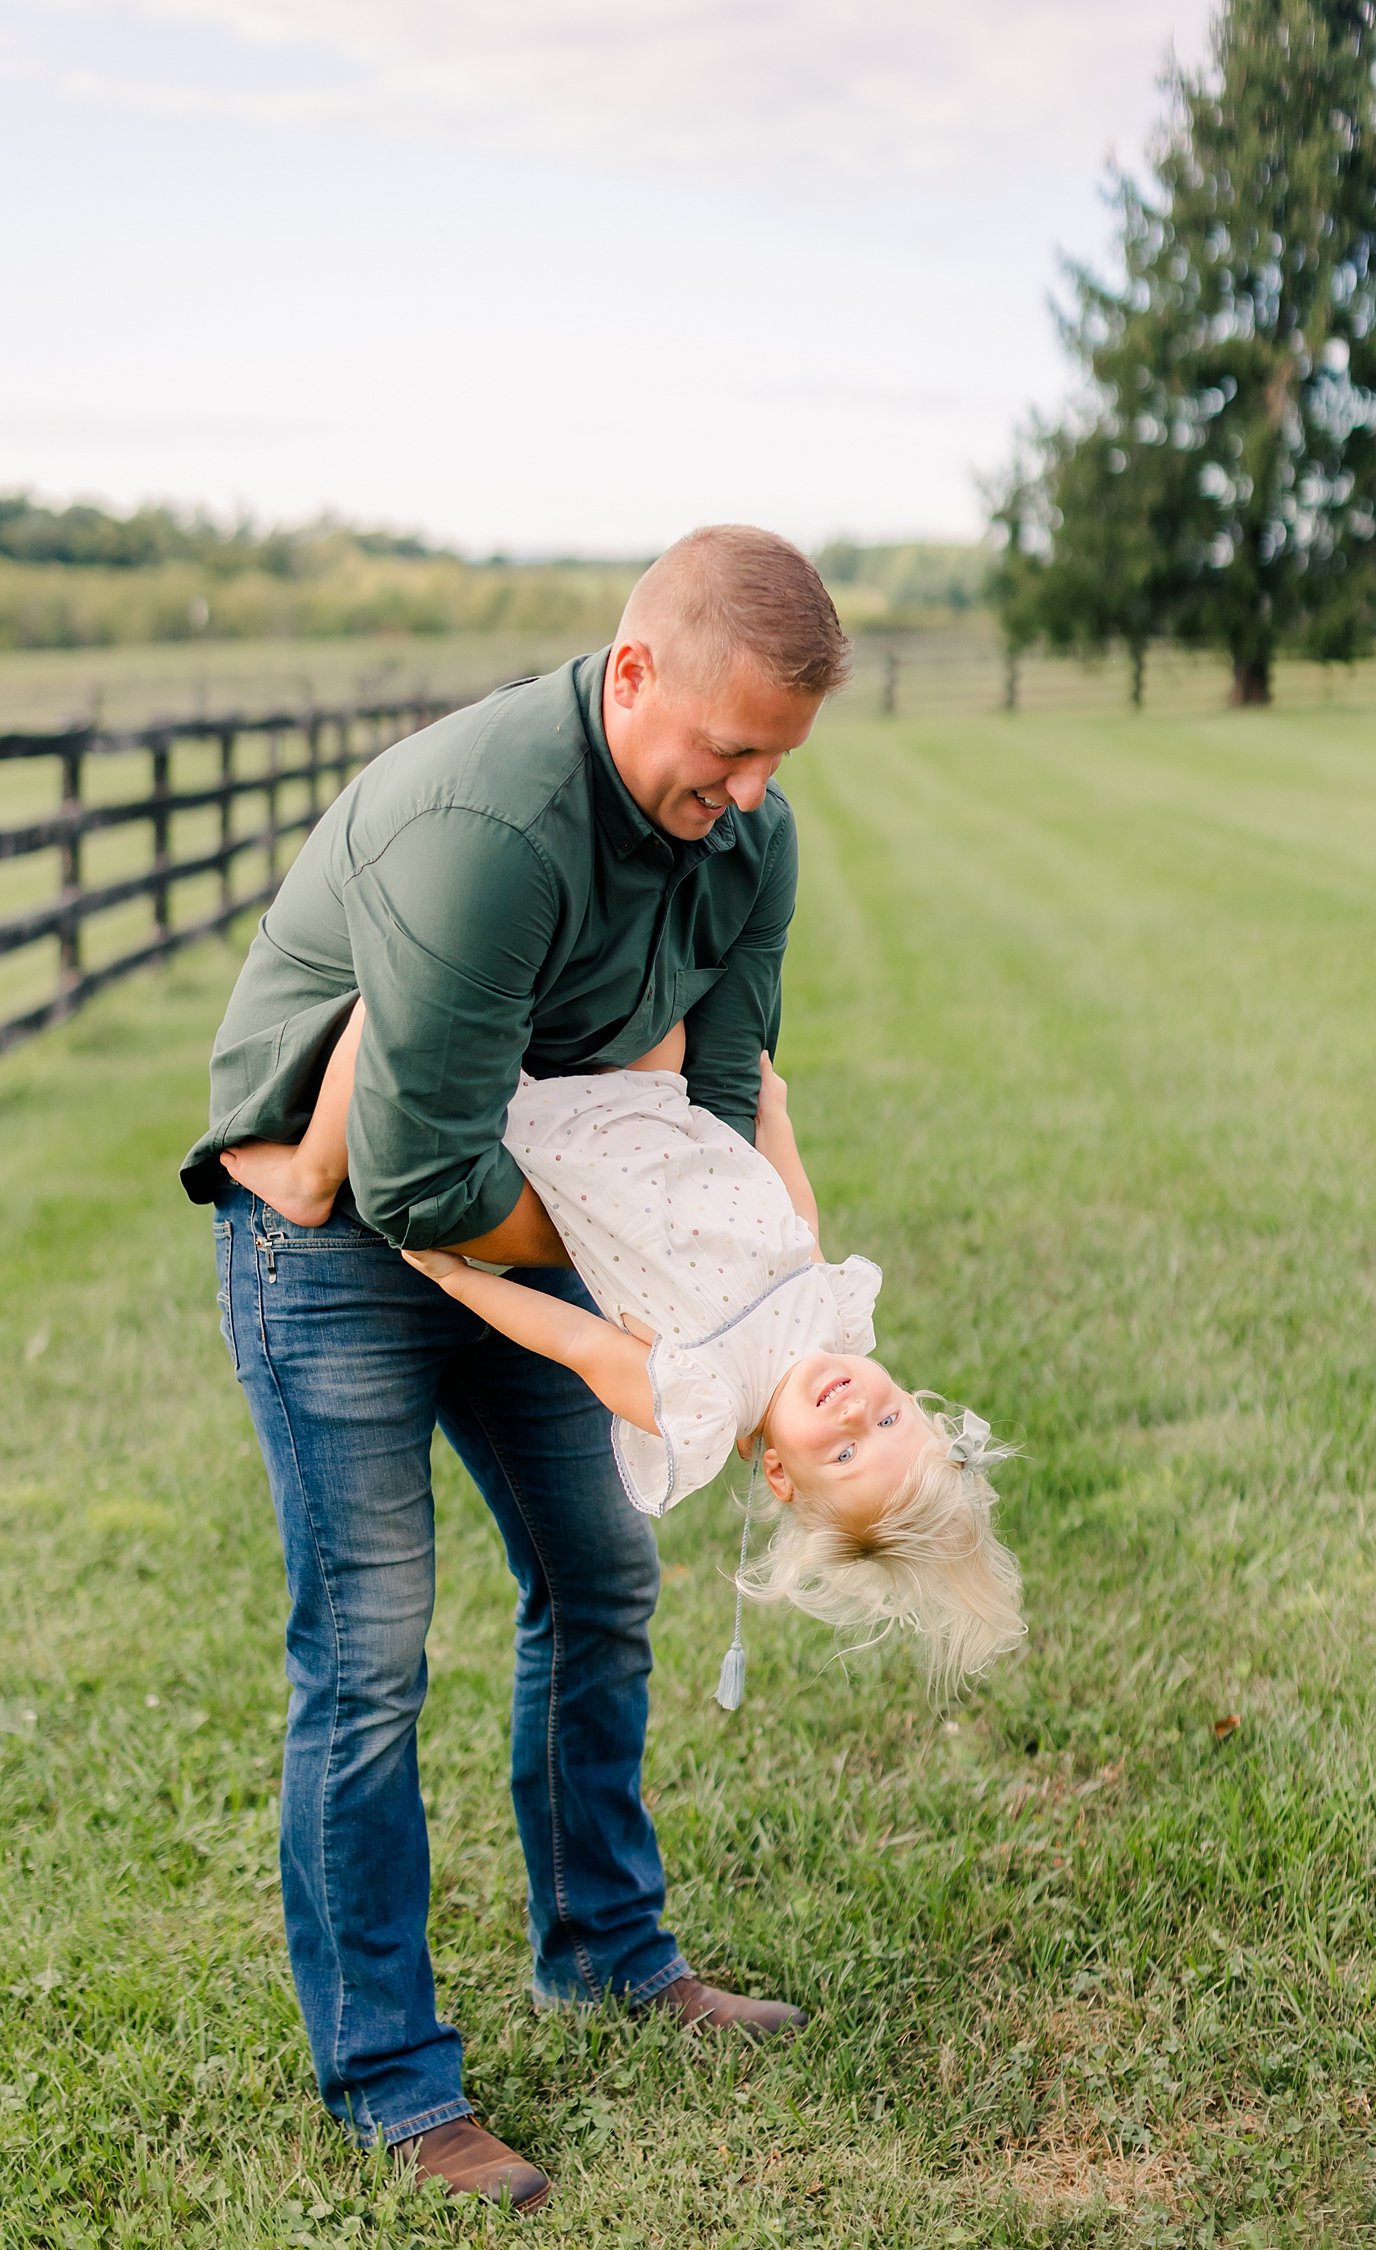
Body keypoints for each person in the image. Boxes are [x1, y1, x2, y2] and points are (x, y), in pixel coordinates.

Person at [181, 527, 852, 2212]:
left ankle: (609, 1953)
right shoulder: (491, 826)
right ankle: (396, 2083)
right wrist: (624, 1299)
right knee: (371, 1654)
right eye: (728, 753)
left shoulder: (743, 836)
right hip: (333, 1229)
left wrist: (740, 1300)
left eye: (779, 760)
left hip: (512, 1190)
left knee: (602, 1572)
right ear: (633, 675)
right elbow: (409, 1186)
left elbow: (724, 1084)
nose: (756, 794)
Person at [221, 1007, 1024, 1695]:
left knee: (402, 1010)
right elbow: (793, 1212)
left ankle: (308, 1172)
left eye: (845, 1452)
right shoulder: (833, 1317)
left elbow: (576, 1340)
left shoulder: (704, 1402)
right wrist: (772, 1112)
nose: (855, 1410)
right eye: (888, 1419)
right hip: (655, 1101)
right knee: (654, 998)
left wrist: (459, 1281)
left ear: (780, 1474)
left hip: (564, 1135)